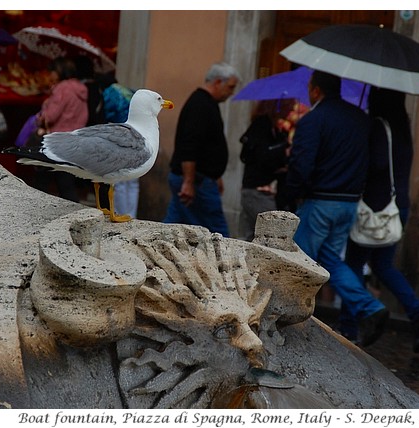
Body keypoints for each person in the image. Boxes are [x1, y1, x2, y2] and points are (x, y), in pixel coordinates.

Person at [284, 70, 389, 347]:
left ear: (316, 90)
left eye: (309, 87)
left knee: (299, 259)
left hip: (320, 201)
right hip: (349, 202)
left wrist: (291, 194)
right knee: (331, 259)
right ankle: (370, 307)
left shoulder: (313, 120)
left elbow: (302, 164)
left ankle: (289, 318)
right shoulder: (361, 120)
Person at [340, 87, 419, 352]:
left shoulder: (378, 127)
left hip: (375, 209)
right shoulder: (402, 128)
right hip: (397, 208)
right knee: (384, 266)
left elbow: (378, 164)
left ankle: (350, 326)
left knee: (352, 264)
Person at [163, 62, 241, 237]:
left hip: (199, 178)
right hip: (197, 181)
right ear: (218, 82)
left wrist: (216, 176)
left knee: (172, 225)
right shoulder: (200, 105)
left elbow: (208, 145)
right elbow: (189, 145)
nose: (231, 93)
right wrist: (189, 181)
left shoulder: (206, 104)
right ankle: (226, 263)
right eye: (230, 87)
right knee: (218, 233)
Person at [33, 57, 89, 202]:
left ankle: (35, 210)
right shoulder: (80, 89)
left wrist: (43, 110)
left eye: (52, 71)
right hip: (73, 140)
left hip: (56, 141)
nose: (50, 74)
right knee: (66, 181)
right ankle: (74, 213)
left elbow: (50, 116)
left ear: (59, 72)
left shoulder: (62, 88)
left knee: (42, 179)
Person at [238, 100, 290, 241]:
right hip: (257, 190)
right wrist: (283, 147)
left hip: (259, 190)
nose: (291, 109)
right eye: (288, 105)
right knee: (272, 236)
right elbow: (262, 155)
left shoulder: (275, 129)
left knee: (252, 237)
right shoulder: (261, 125)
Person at [101, 76, 138, 218]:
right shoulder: (127, 90)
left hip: (121, 133)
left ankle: (122, 213)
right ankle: (132, 214)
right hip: (137, 133)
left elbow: (109, 112)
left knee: (121, 180)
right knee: (134, 180)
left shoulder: (109, 91)